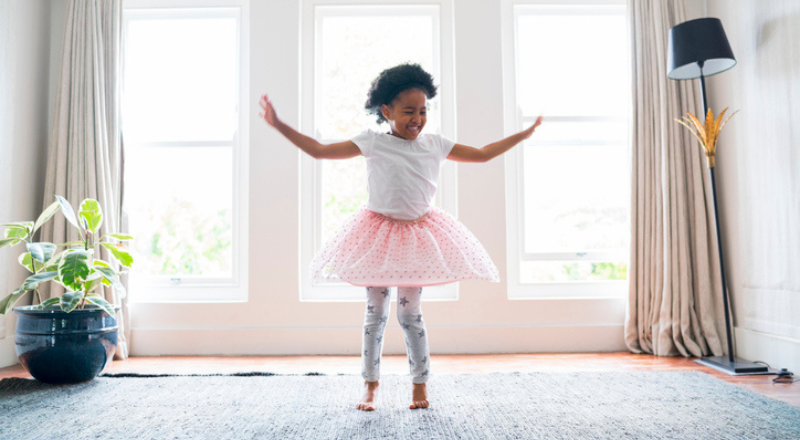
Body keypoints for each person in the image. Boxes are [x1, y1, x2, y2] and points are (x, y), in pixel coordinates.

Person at [259, 63, 543, 412]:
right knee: (375, 314)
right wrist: (279, 125)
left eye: (423, 110)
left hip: (418, 238)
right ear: (386, 111)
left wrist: (523, 135)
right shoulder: (372, 142)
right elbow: (319, 150)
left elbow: (483, 154)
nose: (417, 118)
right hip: (377, 236)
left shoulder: (436, 144)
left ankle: (420, 385)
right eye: (408, 111)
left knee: (411, 316)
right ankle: (370, 385)